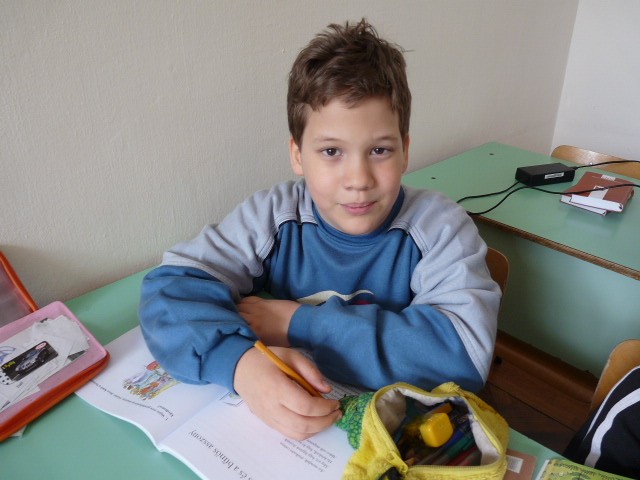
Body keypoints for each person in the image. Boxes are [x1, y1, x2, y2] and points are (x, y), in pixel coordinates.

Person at [139, 19, 500, 441]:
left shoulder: (440, 227)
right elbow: (171, 291)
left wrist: (297, 323)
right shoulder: (272, 216)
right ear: (297, 155)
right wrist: (240, 366)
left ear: (405, 151)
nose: (358, 179)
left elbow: (461, 358)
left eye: (379, 150)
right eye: (331, 151)